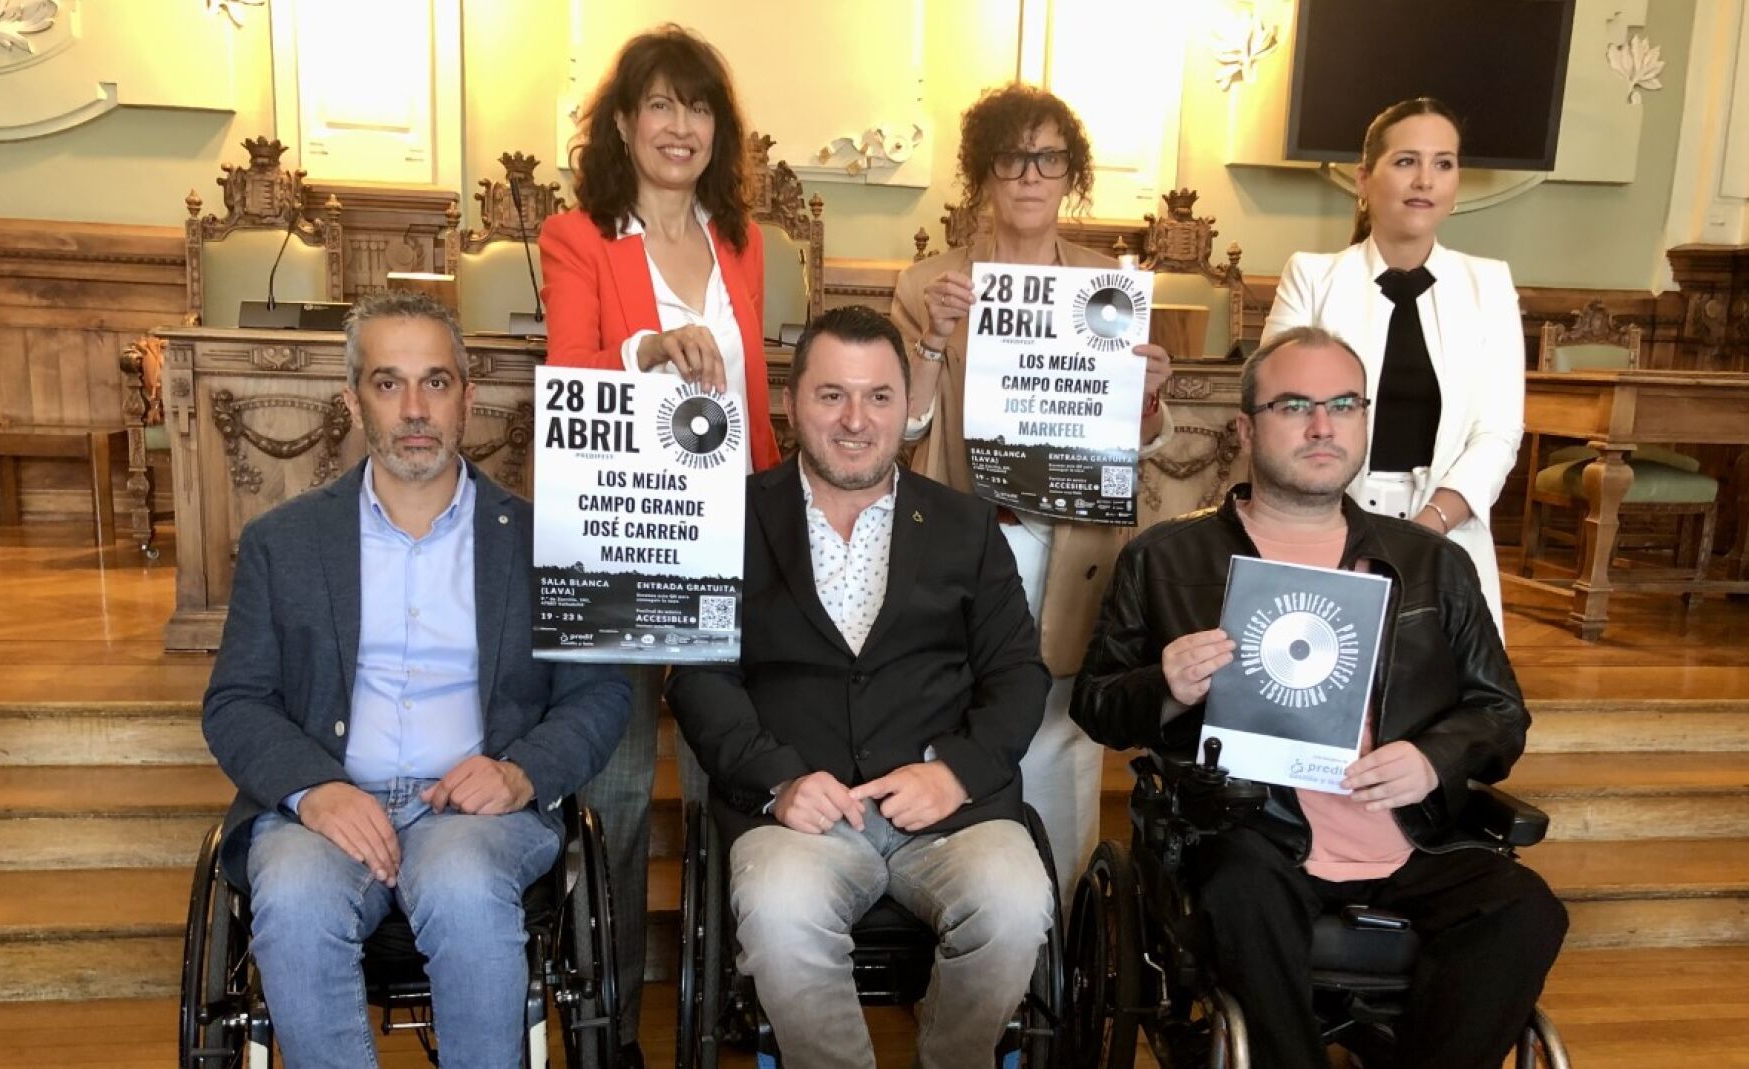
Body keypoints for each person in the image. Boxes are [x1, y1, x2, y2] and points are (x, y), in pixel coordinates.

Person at [1071, 326, 1566, 1069]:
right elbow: (1097, 704)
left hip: (1412, 834)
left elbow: (1501, 714)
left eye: (1343, 404)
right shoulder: (1166, 557)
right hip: (1253, 829)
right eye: (1295, 405)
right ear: (1246, 429)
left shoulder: (1431, 563)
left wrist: (1433, 759)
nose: (1322, 426)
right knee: (1241, 892)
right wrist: (1164, 686)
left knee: (1527, 910)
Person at [202, 290, 630, 1069]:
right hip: (327, 806)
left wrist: (519, 772)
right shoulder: (282, 541)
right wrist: (312, 790)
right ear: (351, 399)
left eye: (435, 381)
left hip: (475, 810)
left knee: (464, 885)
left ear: (468, 395)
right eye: (387, 382)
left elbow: (598, 695)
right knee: (292, 898)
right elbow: (237, 700)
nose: (414, 409)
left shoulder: (551, 541)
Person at [667, 305, 1054, 1069]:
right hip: (797, 817)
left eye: (878, 396)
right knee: (779, 913)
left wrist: (956, 773)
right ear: (791, 403)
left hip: (951, 815)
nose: (856, 420)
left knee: (1016, 906)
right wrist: (778, 780)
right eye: (832, 395)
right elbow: (699, 677)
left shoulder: (968, 526)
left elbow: (1018, 674)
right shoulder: (727, 518)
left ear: (907, 407)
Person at [536, 26, 781, 1061]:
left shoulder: (744, 241)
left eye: (699, 107)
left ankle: (730, 997)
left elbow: (754, 398)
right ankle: (611, 1024)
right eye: (662, 106)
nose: (681, 126)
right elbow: (571, 369)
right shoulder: (577, 236)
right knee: (623, 787)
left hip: (735, 532)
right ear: (625, 124)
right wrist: (650, 347)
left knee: (738, 771)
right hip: (622, 534)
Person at [890, 84, 1176, 892]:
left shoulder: (1108, 285)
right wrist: (933, 340)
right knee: (956, 717)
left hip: (1072, 539)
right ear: (983, 171)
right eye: (1012, 158)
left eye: (1048, 159)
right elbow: (902, 428)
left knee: (1061, 733)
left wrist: (1147, 394)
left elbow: (1143, 437)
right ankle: (961, 899)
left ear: (1070, 174)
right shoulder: (929, 283)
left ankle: (1063, 926)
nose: (1029, 176)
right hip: (972, 532)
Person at [1262, 97, 1525, 632]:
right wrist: (1345, 533)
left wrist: (1425, 531)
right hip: (1321, 526)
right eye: (1406, 161)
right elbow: (1278, 410)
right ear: (1364, 178)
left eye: (1443, 163)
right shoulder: (1312, 277)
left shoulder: (1490, 284)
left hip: (1446, 530)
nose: (1425, 180)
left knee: (1443, 679)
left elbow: (1498, 433)